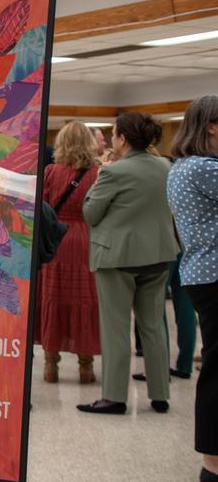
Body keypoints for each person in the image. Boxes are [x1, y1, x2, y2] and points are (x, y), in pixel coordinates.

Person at [77, 112, 179, 415]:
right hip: (159, 254)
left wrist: (99, 178)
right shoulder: (166, 166)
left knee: (116, 328)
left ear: (123, 138)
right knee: (154, 327)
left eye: (114, 134)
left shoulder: (113, 172)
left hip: (117, 258)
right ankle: (160, 394)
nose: (111, 139)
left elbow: (91, 213)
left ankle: (114, 396)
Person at [166, 95, 218, 482]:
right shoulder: (204, 168)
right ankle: (213, 461)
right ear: (212, 126)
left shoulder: (185, 166)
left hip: (201, 272)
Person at [39, 121, 101, 383]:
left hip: (57, 238)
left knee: (53, 297)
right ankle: (85, 367)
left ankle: (51, 365)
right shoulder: (97, 173)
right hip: (87, 240)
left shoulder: (51, 171)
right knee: (85, 300)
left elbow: (41, 205)